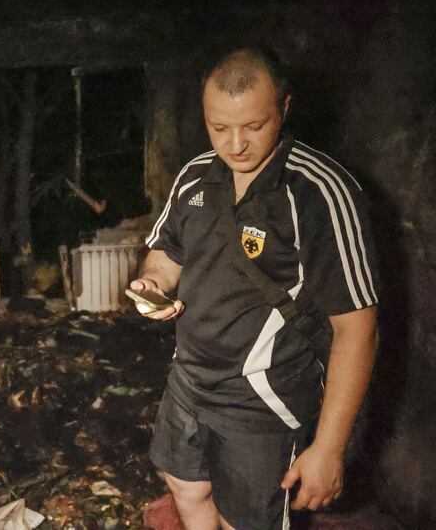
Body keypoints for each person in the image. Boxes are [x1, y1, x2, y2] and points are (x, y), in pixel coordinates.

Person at [131, 48, 379, 529]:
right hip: (189, 377)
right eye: (219, 128)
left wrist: (328, 449)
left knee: (248, 519)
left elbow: (358, 330)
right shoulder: (195, 176)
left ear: (284, 108)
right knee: (185, 484)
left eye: (254, 126)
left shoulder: (320, 192)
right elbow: (166, 255)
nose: (236, 144)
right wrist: (153, 283)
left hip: (262, 395)